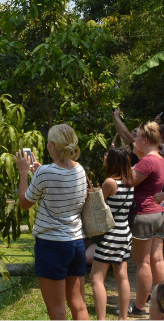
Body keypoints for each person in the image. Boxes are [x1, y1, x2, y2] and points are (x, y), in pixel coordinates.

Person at [15, 124, 89, 321]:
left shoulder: (45, 173)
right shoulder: (80, 170)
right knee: (78, 304)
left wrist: (24, 172)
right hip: (76, 243)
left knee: (57, 311)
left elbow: (24, 203)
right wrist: (38, 172)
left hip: (52, 245)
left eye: (48, 141)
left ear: (53, 145)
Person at [113, 109, 164, 317]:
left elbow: (127, 181)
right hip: (159, 214)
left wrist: (116, 163)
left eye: (137, 137)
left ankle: (140, 307)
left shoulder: (148, 161)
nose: (134, 140)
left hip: (144, 215)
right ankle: (160, 304)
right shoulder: (160, 159)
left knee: (143, 262)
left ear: (145, 139)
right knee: (157, 260)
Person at [89, 147, 135, 320]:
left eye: (108, 155)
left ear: (114, 161)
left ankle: (101, 318)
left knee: (96, 277)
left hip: (110, 235)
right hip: (124, 233)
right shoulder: (129, 183)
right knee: (122, 277)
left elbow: (98, 204)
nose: (105, 156)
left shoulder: (110, 182)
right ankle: (123, 317)